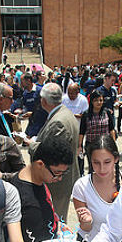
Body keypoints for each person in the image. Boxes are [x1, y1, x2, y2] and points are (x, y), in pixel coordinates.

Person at [26, 83, 80, 219]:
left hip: (57, 182)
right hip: (62, 180)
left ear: (43, 101)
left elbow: (51, 154)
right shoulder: (65, 113)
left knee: (54, 220)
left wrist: (31, 144)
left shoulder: (58, 122)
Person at [10, 135, 74, 242]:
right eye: (57, 173)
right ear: (40, 164)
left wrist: (56, 224)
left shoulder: (36, 178)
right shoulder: (30, 203)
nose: (59, 179)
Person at [78, 90, 117, 174]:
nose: (99, 102)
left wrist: (113, 143)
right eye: (96, 100)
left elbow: (111, 129)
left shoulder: (106, 112)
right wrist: (79, 146)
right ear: (92, 101)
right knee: (93, 167)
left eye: (101, 100)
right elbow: (82, 131)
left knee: (106, 166)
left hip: (105, 144)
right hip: (91, 145)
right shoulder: (86, 114)